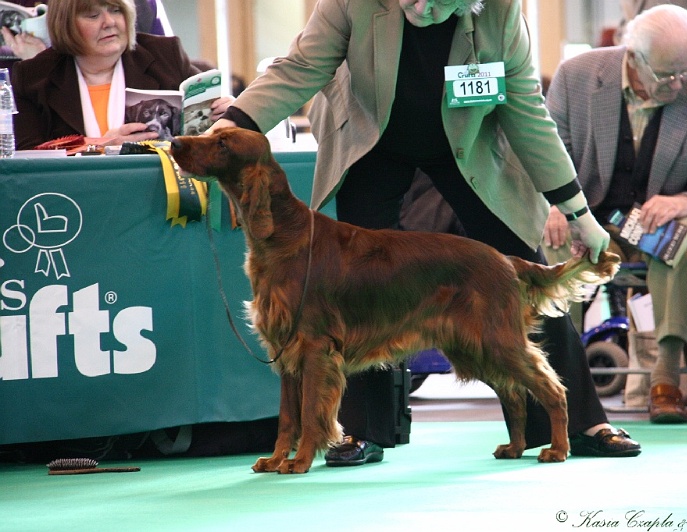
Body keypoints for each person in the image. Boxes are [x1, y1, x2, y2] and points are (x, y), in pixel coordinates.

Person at [207, 0, 642, 464]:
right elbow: (300, 66)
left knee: (515, 263)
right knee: (353, 281)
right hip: (371, 139)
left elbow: (527, 113)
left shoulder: (500, 11)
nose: (423, 7)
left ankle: (578, 422)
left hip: (468, 144)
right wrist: (234, 122)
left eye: (440, 2)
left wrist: (579, 214)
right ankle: (359, 431)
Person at [542, 5, 687, 423]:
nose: (679, 84)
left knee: (680, 239)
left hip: (663, 216)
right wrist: (555, 208)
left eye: (686, 70)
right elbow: (544, 157)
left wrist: (686, 202)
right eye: (667, 75)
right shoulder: (576, 77)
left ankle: (666, 378)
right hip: (591, 213)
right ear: (631, 56)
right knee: (555, 239)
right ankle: (562, 377)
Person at [10, 0, 231, 150]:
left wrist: (227, 112)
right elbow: (26, 156)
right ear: (65, 24)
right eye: (93, 15)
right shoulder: (32, 77)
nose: (109, 22)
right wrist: (98, 146)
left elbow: (207, 125)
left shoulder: (166, 55)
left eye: (116, 10)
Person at [1, 0, 172, 70]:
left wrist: (41, 61)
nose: (109, 21)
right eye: (92, 15)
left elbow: (163, 62)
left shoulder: (143, 6)